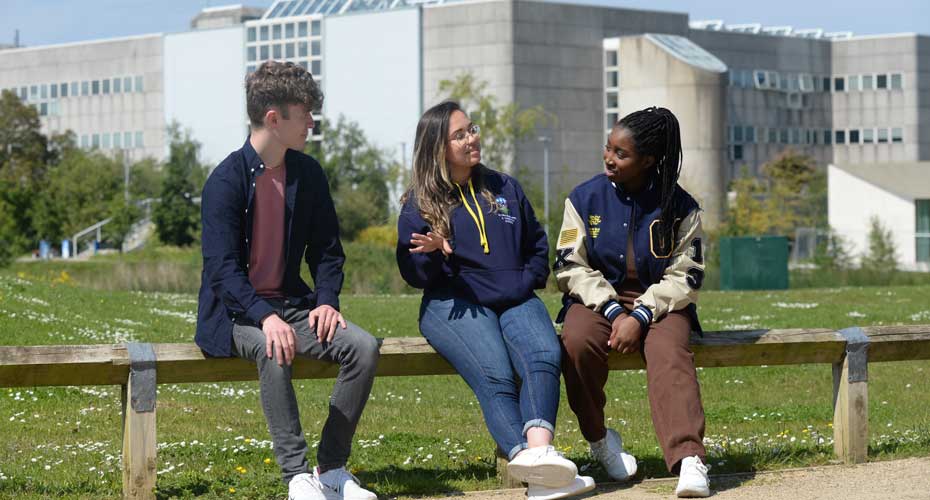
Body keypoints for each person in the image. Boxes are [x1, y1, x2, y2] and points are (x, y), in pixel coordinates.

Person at [195, 61, 380, 500]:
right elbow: (222, 269)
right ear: (274, 119)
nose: (312, 123)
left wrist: (327, 299)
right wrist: (263, 317)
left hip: (294, 306)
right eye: (305, 114)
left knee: (364, 347)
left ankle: (332, 469)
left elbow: (328, 252)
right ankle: (297, 476)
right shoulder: (225, 181)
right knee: (273, 347)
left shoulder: (308, 174)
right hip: (236, 314)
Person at [396, 101, 594, 500]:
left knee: (542, 355)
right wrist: (436, 251)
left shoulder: (504, 187)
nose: (473, 138)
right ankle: (541, 473)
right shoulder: (421, 202)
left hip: (515, 297)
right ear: (438, 147)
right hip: (453, 304)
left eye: (472, 129)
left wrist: (525, 280)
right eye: (461, 134)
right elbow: (415, 274)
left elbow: (537, 245)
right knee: (497, 375)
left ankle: (541, 466)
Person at [554, 107, 710, 497]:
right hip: (595, 299)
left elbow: (687, 275)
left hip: (661, 303)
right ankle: (600, 439)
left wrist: (640, 314)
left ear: (649, 160)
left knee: (670, 350)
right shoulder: (582, 198)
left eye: (620, 154)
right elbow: (568, 265)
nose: (609, 158)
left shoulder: (681, 207)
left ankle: (689, 458)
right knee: (575, 342)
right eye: (608, 148)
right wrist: (611, 310)